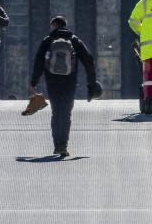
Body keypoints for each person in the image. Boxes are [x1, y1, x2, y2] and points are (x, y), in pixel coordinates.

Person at [29, 15, 102, 158]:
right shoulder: (74, 40)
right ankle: (64, 145)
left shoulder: (48, 40)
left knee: (56, 112)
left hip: (52, 82)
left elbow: (38, 62)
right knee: (66, 113)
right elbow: (88, 60)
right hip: (70, 82)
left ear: (54, 25)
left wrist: (34, 82)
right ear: (65, 25)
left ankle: (57, 145)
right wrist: (91, 84)